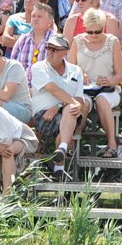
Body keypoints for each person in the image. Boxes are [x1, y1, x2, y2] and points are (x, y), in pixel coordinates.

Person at [28, 32, 88, 175]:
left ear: (65, 52)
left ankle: (61, 152)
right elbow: (53, 89)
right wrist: (73, 103)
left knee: (70, 111)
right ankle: (60, 162)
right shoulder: (39, 67)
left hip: (66, 113)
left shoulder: (76, 70)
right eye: (48, 47)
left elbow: (79, 99)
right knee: (71, 113)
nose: (49, 52)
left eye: (54, 49)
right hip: (44, 116)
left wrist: (59, 106)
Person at [70, 8, 122, 159]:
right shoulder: (78, 41)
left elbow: (120, 75)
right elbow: (70, 71)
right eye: (90, 32)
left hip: (108, 90)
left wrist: (110, 80)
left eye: (97, 31)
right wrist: (81, 74)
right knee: (83, 104)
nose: (93, 35)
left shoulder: (113, 41)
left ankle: (112, 145)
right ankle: (73, 143)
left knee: (101, 100)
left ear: (103, 27)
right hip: (84, 89)